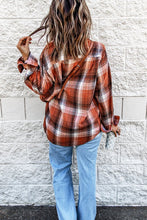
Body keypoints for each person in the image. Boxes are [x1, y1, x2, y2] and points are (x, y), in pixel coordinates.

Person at [16, 0, 121, 219]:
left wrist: (27, 58)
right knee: (87, 176)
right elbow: (104, 94)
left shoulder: (49, 52)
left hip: (58, 128)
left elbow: (43, 90)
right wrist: (110, 125)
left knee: (61, 173)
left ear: (54, 20)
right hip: (88, 129)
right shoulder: (97, 51)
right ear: (84, 18)